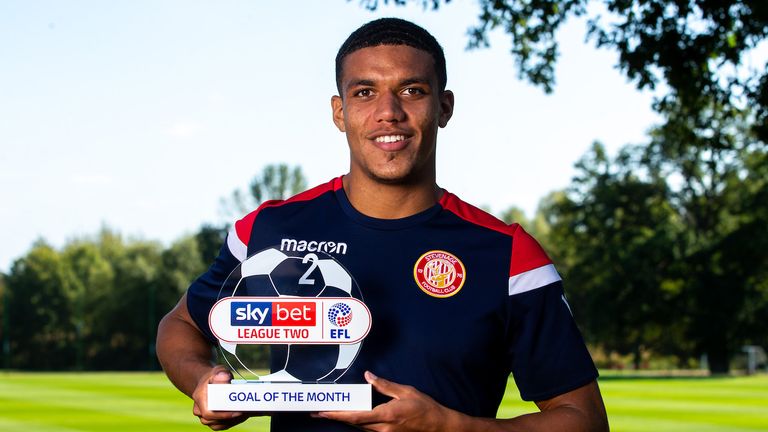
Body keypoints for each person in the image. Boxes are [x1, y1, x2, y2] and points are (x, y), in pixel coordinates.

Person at [156, 17, 609, 432]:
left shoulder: (507, 254)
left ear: (444, 107)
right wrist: (204, 380)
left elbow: (583, 419)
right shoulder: (266, 230)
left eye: (412, 90)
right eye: (365, 92)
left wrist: (452, 428)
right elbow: (181, 324)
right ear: (339, 112)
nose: (388, 111)